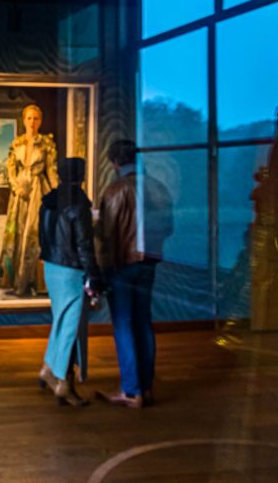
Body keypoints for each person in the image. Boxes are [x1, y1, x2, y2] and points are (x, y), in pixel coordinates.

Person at [96, 139, 173, 408]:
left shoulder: (115, 189)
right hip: (149, 262)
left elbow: (106, 235)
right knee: (143, 323)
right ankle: (146, 387)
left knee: (124, 326)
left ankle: (131, 390)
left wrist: (101, 271)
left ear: (115, 162)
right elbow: (168, 227)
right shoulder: (158, 187)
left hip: (122, 265)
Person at [37, 158, 102, 407]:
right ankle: (63, 382)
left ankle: (48, 368)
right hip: (71, 269)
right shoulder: (79, 205)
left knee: (61, 321)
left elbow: (42, 235)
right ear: (82, 175)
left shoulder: (48, 201)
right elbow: (85, 244)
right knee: (70, 327)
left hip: (51, 266)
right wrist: (93, 275)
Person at [0, 104, 60, 296]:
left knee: (35, 235)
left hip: (38, 192)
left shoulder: (47, 144)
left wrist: (57, 195)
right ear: (24, 120)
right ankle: (14, 279)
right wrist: (16, 187)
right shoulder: (16, 143)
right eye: (29, 118)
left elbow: (51, 170)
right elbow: (10, 170)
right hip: (19, 195)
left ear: (40, 121)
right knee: (17, 234)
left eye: (36, 118)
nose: (32, 122)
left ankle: (34, 281)